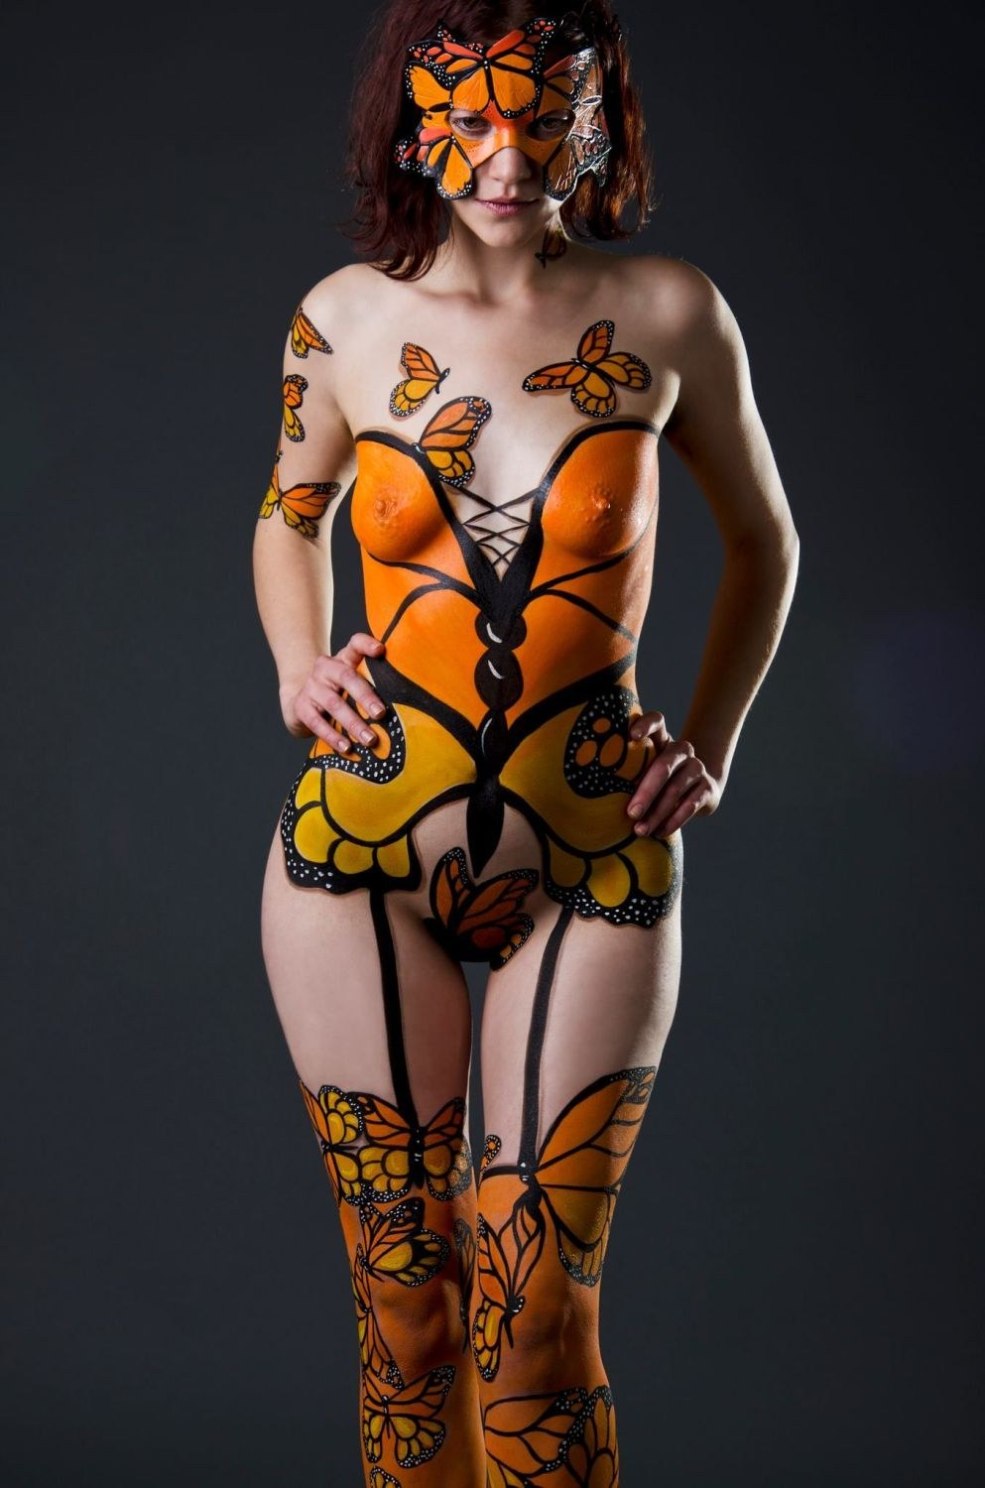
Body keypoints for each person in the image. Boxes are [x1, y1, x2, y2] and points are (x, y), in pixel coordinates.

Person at [253, 2, 799, 1482]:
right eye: (472, 121)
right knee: (407, 1316)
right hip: (358, 860)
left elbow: (765, 543)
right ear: (414, 125)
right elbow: (289, 517)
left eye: (542, 118)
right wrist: (300, 666)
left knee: (539, 1321)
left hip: (596, 853)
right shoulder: (344, 321)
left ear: (597, 122)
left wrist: (713, 742)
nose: (507, 159)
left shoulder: (669, 312)